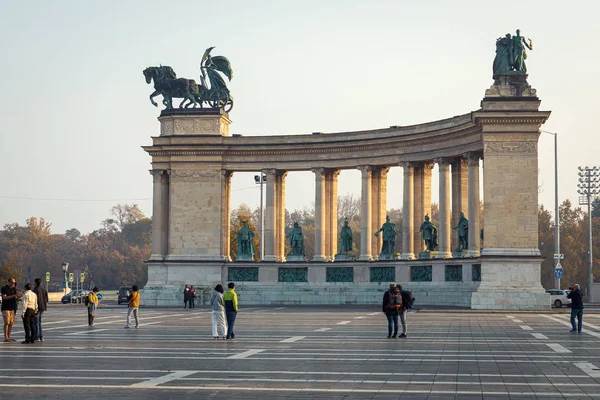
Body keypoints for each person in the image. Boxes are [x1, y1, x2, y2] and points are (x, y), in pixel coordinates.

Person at [1, 278, 20, 342]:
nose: (13, 284)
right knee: (7, 322)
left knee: (11, 323)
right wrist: (13, 296)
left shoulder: (14, 289)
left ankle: (9, 336)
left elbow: (17, 297)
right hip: (6, 308)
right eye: (12, 282)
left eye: (14, 283)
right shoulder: (4, 288)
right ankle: (6, 337)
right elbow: (4, 297)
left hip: (13, 308)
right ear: (8, 282)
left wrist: (18, 295)